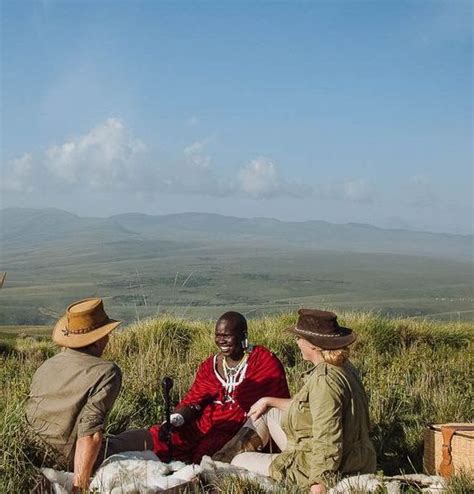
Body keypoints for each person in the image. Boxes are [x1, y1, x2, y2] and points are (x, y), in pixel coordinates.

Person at [214, 309, 377, 493]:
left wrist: (318, 484)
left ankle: (218, 468)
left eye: (299, 338)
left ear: (313, 345)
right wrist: (269, 400)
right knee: (266, 411)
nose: (297, 342)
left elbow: (328, 438)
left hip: (328, 465)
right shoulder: (342, 367)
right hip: (356, 456)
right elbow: (308, 406)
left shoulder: (325, 380)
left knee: (238, 462)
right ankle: (220, 459)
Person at [26, 298, 153, 492]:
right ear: (99, 338)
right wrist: (80, 485)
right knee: (144, 437)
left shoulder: (47, 365)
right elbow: (90, 433)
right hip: (69, 457)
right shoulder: (106, 371)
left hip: (33, 452)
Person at [148, 311, 290, 463]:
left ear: (243, 335)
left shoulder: (262, 361)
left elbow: (277, 404)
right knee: (160, 437)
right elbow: (193, 401)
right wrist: (174, 420)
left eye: (227, 336)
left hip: (244, 431)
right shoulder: (210, 366)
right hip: (207, 427)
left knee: (208, 452)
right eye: (218, 336)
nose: (221, 341)